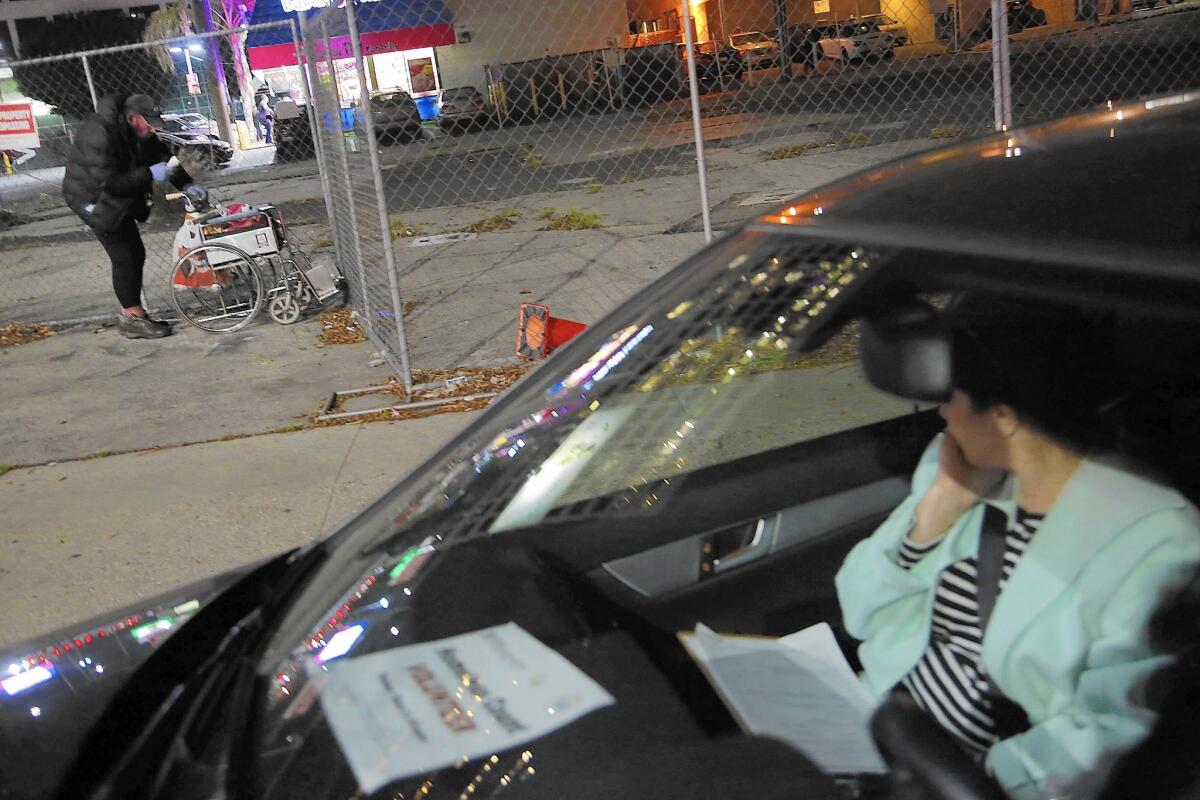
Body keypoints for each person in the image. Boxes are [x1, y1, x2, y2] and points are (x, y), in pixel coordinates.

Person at [836, 296, 1200, 800]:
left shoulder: (1158, 540)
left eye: (954, 396)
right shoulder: (959, 468)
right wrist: (940, 508)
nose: (943, 412)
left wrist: (968, 781)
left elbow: (1107, 733)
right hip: (864, 723)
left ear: (1004, 416)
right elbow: (860, 612)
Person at [62, 93, 202, 340]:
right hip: (91, 199)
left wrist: (187, 184)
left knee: (135, 253)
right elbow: (110, 183)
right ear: (132, 118)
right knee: (125, 255)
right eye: (148, 123)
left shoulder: (140, 132)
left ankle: (133, 315)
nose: (152, 129)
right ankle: (132, 319)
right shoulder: (100, 133)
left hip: (113, 193)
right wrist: (149, 174)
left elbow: (163, 158)